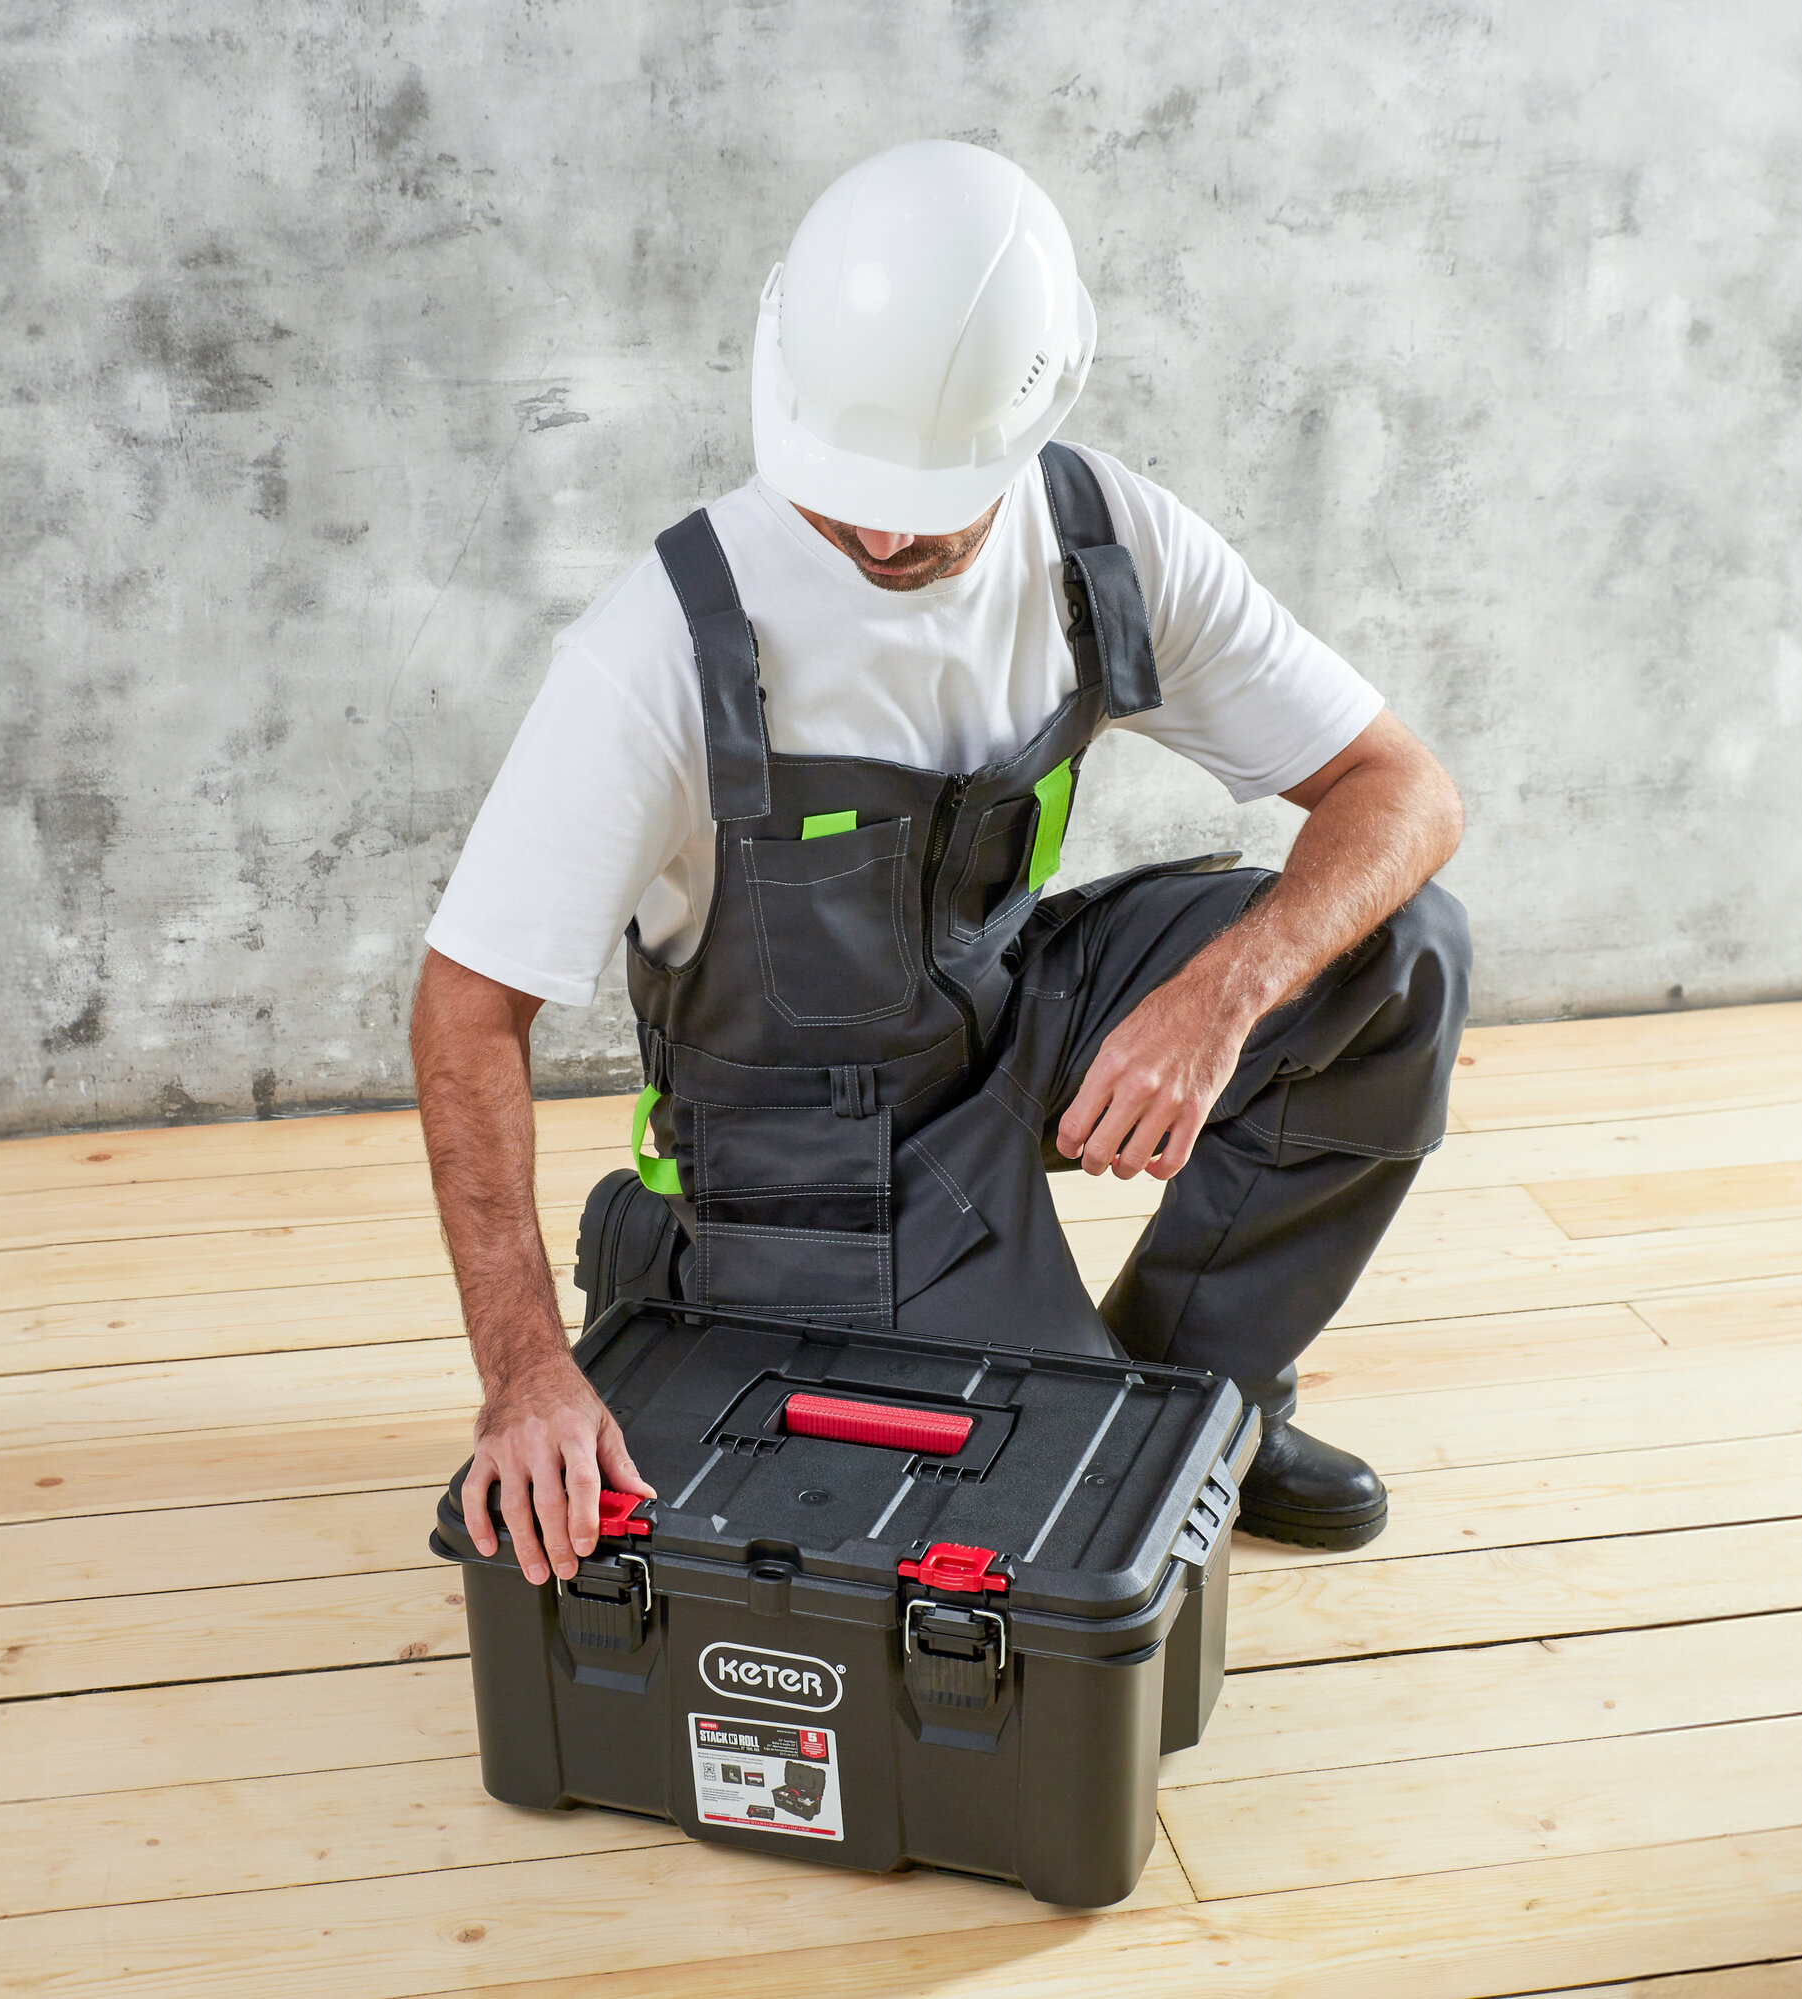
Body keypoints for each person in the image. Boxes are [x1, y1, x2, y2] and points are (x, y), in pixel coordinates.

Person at [412, 140, 1470, 1593]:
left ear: (1036, 411)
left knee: (1399, 955)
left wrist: (1223, 996)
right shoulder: (660, 649)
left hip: (1010, 1018)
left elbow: (1402, 792)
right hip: (807, 1157)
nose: (883, 531)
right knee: (1026, 1527)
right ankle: (682, 1267)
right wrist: (524, 1370)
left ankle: (1198, 1401)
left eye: (932, 495)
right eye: (849, 490)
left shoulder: (1103, 542)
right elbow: (466, 1009)